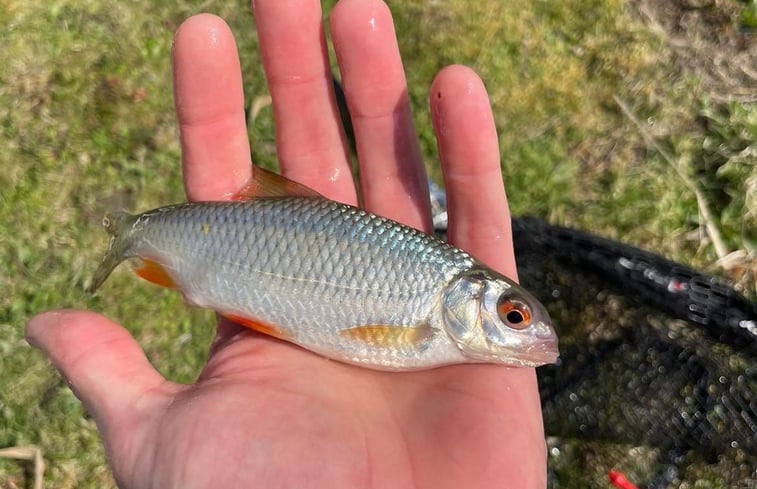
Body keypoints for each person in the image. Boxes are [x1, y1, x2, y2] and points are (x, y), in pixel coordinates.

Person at [26, 1, 547, 487]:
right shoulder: (427, 327)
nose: (528, 332)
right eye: (514, 317)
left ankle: (135, 232)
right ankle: (133, 233)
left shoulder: (438, 331)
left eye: (514, 317)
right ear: (468, 293)